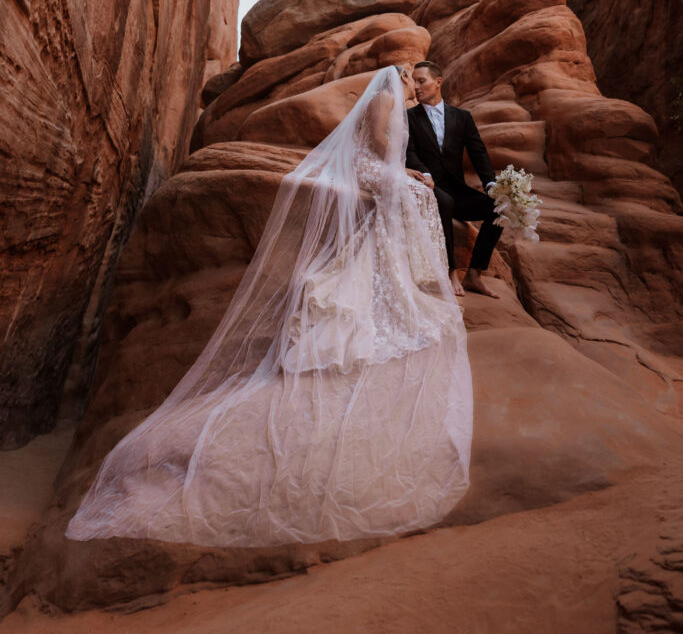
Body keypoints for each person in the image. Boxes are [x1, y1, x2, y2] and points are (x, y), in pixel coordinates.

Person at [65, 65, 473, 548]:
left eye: (414, 76)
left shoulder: (398, 102)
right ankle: (416, 268)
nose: (411, 79)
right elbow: (381, 145)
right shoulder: (385, 101)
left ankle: (415, 265)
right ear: (398, 78)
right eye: (408, 74)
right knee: (414, 193)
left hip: (375, 169)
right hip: (371, 169)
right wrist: (403, 172)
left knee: (418, 192)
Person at [406, 60, 503, 299]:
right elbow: (409, 152)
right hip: (426, 185)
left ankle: (474, 274)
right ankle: (450, 272)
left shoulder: (462, 117)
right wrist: (424, 174)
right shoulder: (408, 117)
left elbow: (478, 153)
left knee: (499, 209)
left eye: (422, 81)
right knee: (444, 202)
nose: (416, 87)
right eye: (413, 82)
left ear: (438, 82)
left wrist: (491, 185)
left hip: (457, 189)